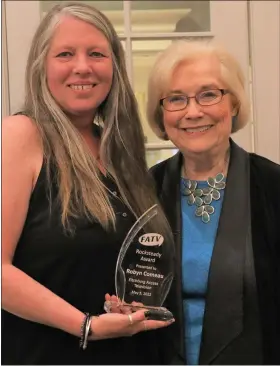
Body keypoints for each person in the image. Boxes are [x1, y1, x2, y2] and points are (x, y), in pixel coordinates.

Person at [2, 3, 174, 365]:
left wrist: (123, 305)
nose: (82, 66)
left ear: (114, 67)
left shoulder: (120, 151)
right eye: (65, 53)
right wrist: (88, 326)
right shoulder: (20, 136)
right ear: (41, 66)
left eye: (96, 53)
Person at [147, 39, 280, 365]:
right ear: (162, 113)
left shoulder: (273, 186)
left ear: (234, 104)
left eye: (208, 94)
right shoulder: (142, 190)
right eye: (176, 99)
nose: (193, 112)